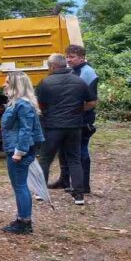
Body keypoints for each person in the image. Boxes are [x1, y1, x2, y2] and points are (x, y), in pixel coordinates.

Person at [35, 53, 96, 205]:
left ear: (52, 66)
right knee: (74, 159)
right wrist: (77, 110)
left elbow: (40, 105)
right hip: (74, 126)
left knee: (45, 159)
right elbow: (92, 102)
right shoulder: (79, 82)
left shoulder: (45, 83)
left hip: (53, 127)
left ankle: (41, 193)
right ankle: (79, 195)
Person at [0, 72, 45, 234]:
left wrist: (19, 152)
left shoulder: (22, 104)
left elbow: (26, 130)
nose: (4, 85)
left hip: (18, 149)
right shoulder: (18, 103)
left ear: (16, 85)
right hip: (16, 147)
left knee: (20, 186)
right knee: (19, 185)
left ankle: (24, 222)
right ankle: (22, 218)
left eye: (7, 82)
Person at [50, 44, 98, 193]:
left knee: (80, 150)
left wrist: (71, 109)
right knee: (64, 150)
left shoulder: (88, 73)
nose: (69, 60)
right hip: (68, 119)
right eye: (67, 57)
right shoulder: (73, 71)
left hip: (82, 119)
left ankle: (83, 185)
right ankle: (64, 181)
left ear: (82, 57)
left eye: (72, 57)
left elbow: (91, 102)